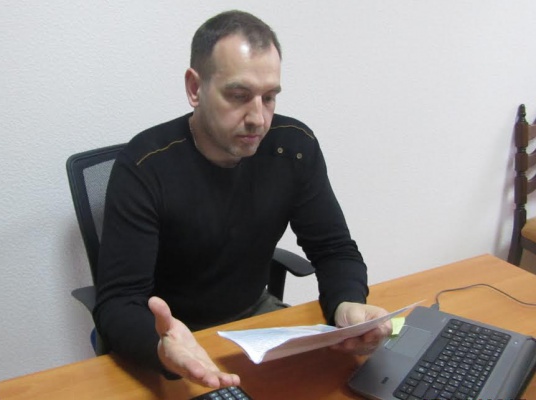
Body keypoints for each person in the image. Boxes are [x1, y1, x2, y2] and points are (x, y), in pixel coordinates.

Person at [93, 10, 392, 389]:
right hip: (167, 337)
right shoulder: (144, 166)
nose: (258, 119)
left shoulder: (292, 148)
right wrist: (161, 349)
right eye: (239, 96)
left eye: (269, 97)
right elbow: (118, 302)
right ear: (195, 88)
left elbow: (334, 249)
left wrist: (346, 304)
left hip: (253, 321)